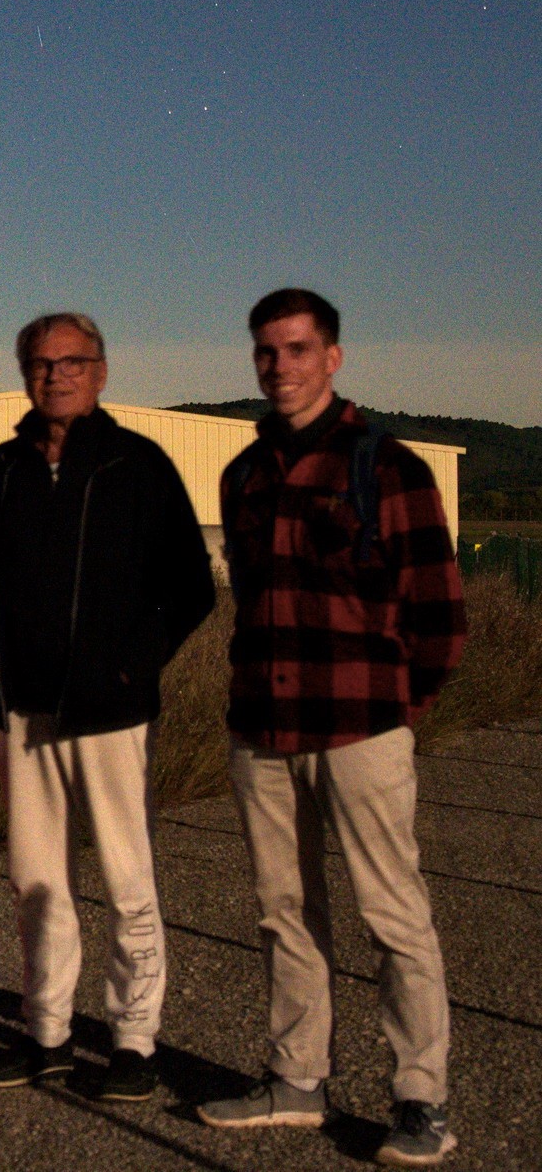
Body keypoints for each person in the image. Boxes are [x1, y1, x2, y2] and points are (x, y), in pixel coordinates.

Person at [197, 290, 465, 1168]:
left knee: (392, 913)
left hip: (359, 730)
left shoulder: (385, 467)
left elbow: (439, 618)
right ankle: (296, 1078)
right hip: (263, 729)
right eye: (266, 351)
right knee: (283, 912)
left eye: (297, 348)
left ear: (333, 356)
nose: (280, 366)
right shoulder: (244, 474)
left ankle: (419, 1098)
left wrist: (393, 712)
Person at [0, 312, 214, 1102]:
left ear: (100, 372)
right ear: (23, 373)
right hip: (24, 713)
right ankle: (47, 1033)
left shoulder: (137, 465)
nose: (56, 374)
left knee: (128, 880)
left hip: (110, 714)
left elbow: (190, 586)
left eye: (72, 361)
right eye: (41, 362)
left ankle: (133, 1041)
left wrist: (131, 667)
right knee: (37, 882)